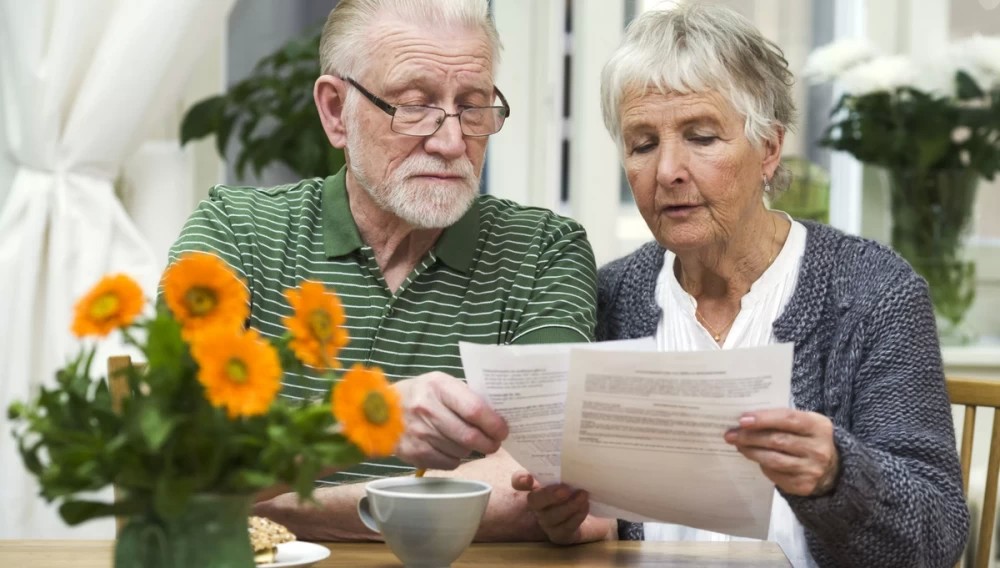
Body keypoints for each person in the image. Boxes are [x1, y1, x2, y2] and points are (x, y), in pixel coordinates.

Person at [511, 4, 969, 567]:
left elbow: (939, 536)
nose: (668, 171)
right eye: (643, 143)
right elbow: (592, 522)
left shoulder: (874, 294)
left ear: (769, 150)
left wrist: (836, 475)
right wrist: (566, 522)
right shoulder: (607, 298)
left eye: (701, 136)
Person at [167, 0, 600, 542]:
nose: (450, 142)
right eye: (414, 105)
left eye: (473, 107)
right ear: (334, 111)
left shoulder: (543, 250)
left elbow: (540, 491)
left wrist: (272, 512)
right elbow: (178, 463)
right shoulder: (235, 231)